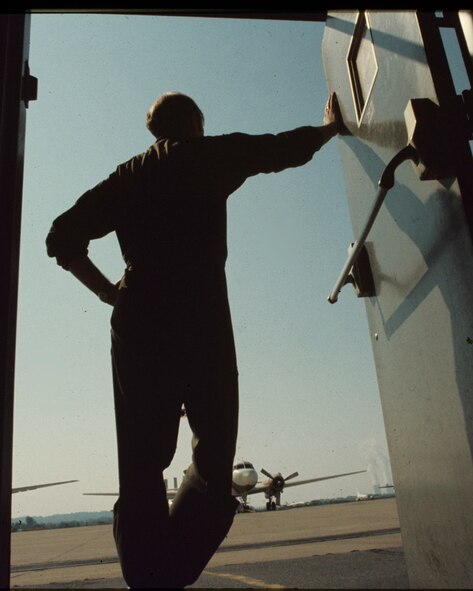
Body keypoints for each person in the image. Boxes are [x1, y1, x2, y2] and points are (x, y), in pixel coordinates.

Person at [46, 90, 347, 588]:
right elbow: (281, 148)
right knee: (213, 457)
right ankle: (174, 568)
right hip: (202, 319)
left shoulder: (127, 176)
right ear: (194, 123)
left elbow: (61, 238)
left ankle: (147, 575)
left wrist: (107, 293)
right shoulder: (208, 155)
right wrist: (329, 129)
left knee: (143, 464)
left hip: (139, 322)